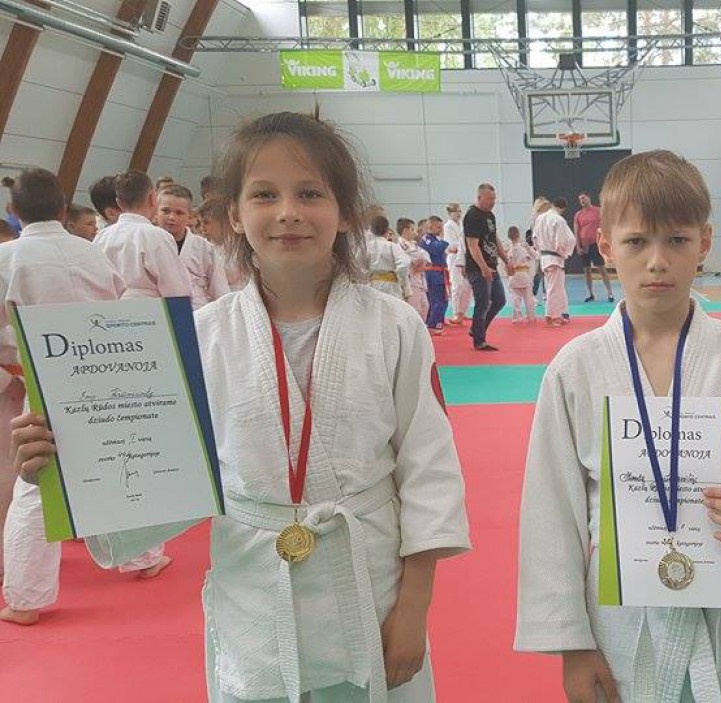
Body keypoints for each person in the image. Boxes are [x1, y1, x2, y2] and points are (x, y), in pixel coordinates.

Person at [12, 112, 472, 699]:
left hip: (371, 592)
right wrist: (68, 467)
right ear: (233, 214)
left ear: (345, 212)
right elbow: (160, 471)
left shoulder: (395, 326)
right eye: (264, 194)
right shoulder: (201, 336)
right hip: (252, 591)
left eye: (311, 193)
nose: (288, 212)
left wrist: (414, 608)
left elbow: (429, 468)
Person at [515, 150, 721, 702]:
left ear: (704, 242)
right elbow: (551, 508)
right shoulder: (575, 367)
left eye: (677, 240)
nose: (657, 261)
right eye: (636, 241)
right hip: (618, 622)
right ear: (605, 245)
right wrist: (571, 646)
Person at [0, 169, 171, 627]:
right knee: (118, 463)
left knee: (38, 483)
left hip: (45, 374)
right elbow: (116, 301)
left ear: (13, 212)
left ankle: (26, 598)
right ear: (63, 209)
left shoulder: (7, 258)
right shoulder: (90, 252)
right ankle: (145, 555)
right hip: (105, 370)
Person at [93, 170, 192, 299]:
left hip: (109, 307)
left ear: (119, 203)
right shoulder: (156, 236)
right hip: (149, 308)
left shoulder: (102, 237)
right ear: (152, 198)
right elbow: (176, 289)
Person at [157, 184, 230, 310]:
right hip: (159, 310)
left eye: (179, 213)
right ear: (156, 211)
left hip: (198, 310)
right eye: (166, 211)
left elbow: (220, 290)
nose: (172, 217)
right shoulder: (146, 244)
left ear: (190, 216)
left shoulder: (204, 248)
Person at [463, 183, 505, 351]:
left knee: (499, 300)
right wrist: (483, 267)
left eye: (494, 199)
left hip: (492, 265)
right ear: (479, 198)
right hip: (477, 268)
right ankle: (479, 340)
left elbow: (494, 238)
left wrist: (505, 259)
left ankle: (477, 328)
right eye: (489, 199)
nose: (492, 202)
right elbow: (472, 245)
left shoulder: (490, 216)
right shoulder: (472, 216)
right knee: (482, 303)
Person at [533, 197, 577, 327]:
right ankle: (551, 317)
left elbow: (535, 239)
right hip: (555, 258)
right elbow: (561, 242)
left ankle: (558, 314)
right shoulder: (559, 220)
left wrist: (540, 251)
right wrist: (565, 254)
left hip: (545, 258)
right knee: (554, 289)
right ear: (563, 208)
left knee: (555, 288)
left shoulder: (540, 218)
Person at [198, 197, 247, 292]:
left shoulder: (241, 247)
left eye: (206, 222)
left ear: (223, 222)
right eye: (200, 223)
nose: (202, 228)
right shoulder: (204, 247)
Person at [574, 192, 613, 302]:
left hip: (596, 244)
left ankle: (610, 293)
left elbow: (606, 225)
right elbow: (576, 231)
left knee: (601, 268)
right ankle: (590, 294)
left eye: (583, 198)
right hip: (584, 244)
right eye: (580, 199)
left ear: (588, 198)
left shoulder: (598, 211)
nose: (582, 200)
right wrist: (578, 246)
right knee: (586, 270)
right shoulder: (578, 215)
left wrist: (606, 240)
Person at [365, 214, 411, 301]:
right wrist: (400, 278)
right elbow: (404, 263)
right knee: (392, 307)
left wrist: (365, 279)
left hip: (372, 285)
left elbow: (357, 265)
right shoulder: (392, 246)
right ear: (386, 230)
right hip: (391, 286)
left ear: (371, 231)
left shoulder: (366, 247)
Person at [420, 215, 450, 334]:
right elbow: (436, 250)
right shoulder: (426, 239)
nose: (441, 230)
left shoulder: (435, 239)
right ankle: (433, 324)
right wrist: (443, 240)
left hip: (440, 273)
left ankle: (437, 322)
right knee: (436, 300)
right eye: (438, 227)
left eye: (441, 227)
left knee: (443, 300)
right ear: (430, 226)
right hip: (432, 273)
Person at [397, 217, 431, 321]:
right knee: (415, 309)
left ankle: (421, 328)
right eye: (412, 229)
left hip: (420, 279)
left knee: (425, 306)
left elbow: (425, 256)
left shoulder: (414, 244)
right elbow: (415, 258)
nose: (414, 232)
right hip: (410, 281)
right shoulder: (400, 244)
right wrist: (420, 261)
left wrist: (423, 261)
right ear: (405, 230)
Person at [443, 203, 471, 326]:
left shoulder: (462, 225)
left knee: (467, 286)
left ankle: (462, 311)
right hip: (454, 257)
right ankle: (455, 313)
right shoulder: (448, 226)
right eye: (456, 211)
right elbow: (450, 245)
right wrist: (463, 245)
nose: (459, 214)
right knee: (456, 286)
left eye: (460, 211)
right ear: (450, 213)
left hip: (464, 256)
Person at [504, 225, 537, 324]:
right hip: (524, 274)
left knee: (516, 298)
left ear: (509, 236)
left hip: (514, 275)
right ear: (518, 235)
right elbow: (534, 256)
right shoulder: (523, 247)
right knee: (528, 297)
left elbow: (508, 264)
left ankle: (516, 318)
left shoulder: (509, 249)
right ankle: (531, 317)